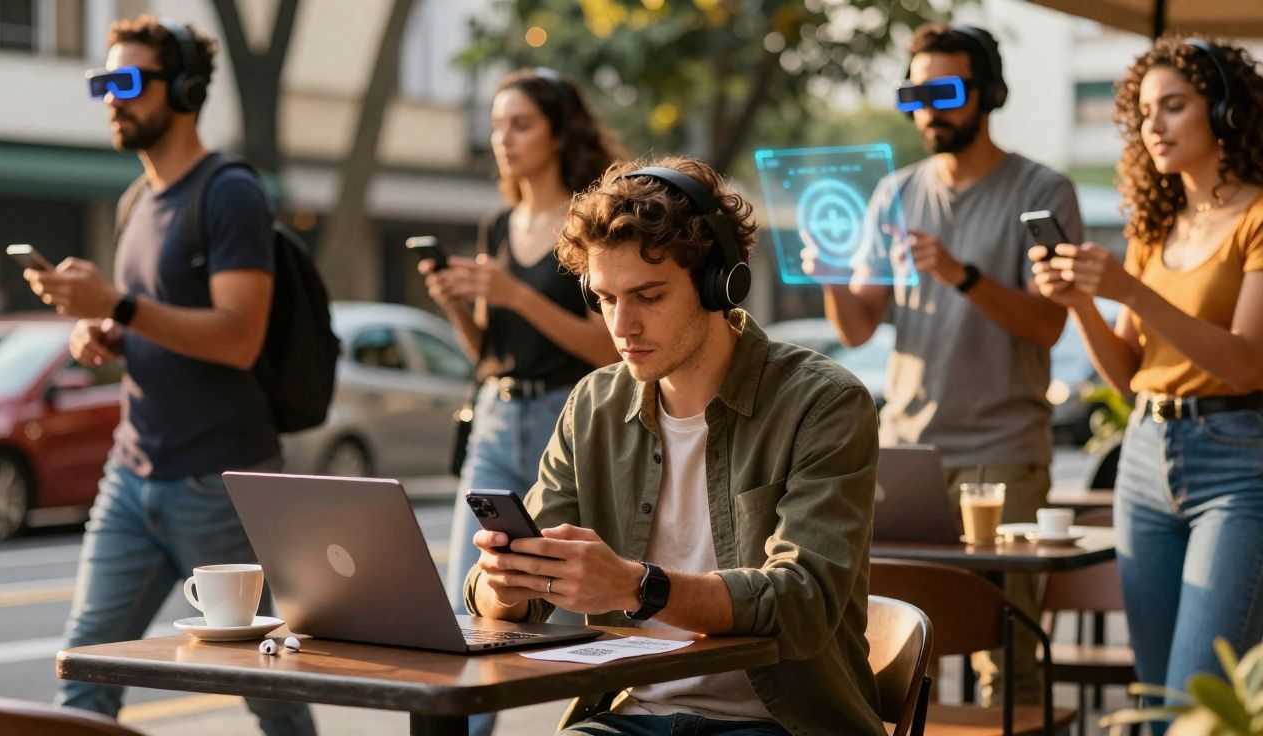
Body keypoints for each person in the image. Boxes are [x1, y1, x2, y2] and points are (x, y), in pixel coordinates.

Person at [465, 155, 885, 736]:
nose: (622, 326)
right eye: (606, 298)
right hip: (632, 716)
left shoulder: (824, 403)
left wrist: (637, 586)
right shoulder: (593, 404)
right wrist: (503, 583)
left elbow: (802, 603)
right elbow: (509, 597)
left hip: (782, 724)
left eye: (648, 296)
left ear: (720, 284)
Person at [25, 17, 314, 735]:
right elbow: (159, 324)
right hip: (131, 475)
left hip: (218, 485)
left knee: (267, 689)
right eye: (101, 82)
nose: (110, 99)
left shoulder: (230, 192)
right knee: (85, 669)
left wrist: (118, 305)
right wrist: (107, 334)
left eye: (126, 82)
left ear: (184, 89)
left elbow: (238, 337)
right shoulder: (135, 202)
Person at [802, 23, 1081, 704]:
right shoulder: (895, 192)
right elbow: (858, 326)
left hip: (1004, 452)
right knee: (895, 652)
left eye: (946, 92)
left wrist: (963, 276)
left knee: (1008, 660)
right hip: (909, 451)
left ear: (989, 94)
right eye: (915, 95)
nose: (929, 110)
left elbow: (1049, 325)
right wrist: (832, 274)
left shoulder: (1042, 190)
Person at [1031, 36, 1263, 734]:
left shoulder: (1257, 217)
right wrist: (1081, 303)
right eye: (1142, 111)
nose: (1152, 124)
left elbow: (1247, 363)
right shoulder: (1152, 227)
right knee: (1159, 700)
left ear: (1223, 112)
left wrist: (1131, 291)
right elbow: (1130, 375)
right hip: (1143, 458)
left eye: (1174, 106)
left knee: (1200, 704)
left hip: (1237, 462)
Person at [419, 67, 621, 736]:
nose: (503, 139)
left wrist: (516, 295)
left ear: (559, 133)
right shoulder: (497, 225)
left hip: (567, 418)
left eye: (521, 124)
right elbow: (489, 352)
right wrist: (458, 307)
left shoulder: (588, 224)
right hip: (496, 415)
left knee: (575, 601)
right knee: (470, 603)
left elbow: (609, 346)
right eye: (497, 125)